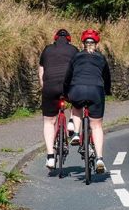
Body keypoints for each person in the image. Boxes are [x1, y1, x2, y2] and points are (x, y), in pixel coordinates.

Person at [63, 29, 112, 174]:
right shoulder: (101, 58)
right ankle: (99, 159)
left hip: (77, 88)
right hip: (96, 90)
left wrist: (66, 92)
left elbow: (68, 77)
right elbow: (107, 78)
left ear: (83, 43)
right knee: (96, 125)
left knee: (76, 109)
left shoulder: (76, 57)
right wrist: (107, 90)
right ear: (96, 44)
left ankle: (76, 134)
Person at [39, 29, 78, 170]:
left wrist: (45, 89)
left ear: (55, 39)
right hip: (68, 87)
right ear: (69, 39)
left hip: (50, 87)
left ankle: (50, 156)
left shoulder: (47, 50)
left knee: (49, 121)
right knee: (77, 103)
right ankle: (72, 122)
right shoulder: (74, 50)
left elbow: (41, 73)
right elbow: (77, 72)